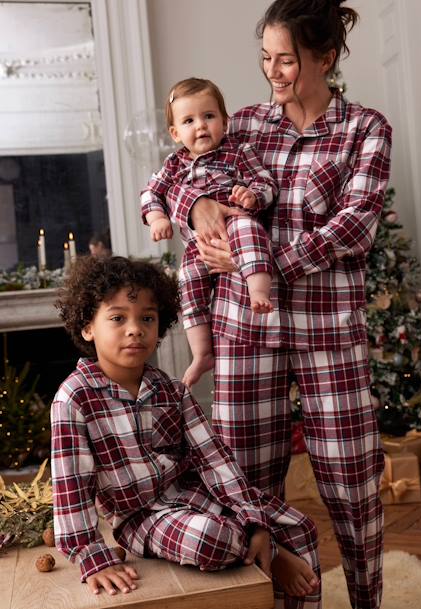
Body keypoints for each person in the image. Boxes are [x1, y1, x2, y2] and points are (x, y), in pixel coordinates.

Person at [165, 2, 392, 608]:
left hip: (330, 334)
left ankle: (367, 599)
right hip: (243, 330)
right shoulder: (240, 124)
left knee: (353, 489)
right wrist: (193, 210)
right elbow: (189, 178)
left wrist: (258, 264)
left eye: (286, 59)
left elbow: (354, 229)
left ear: (326, 57)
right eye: (265, 57)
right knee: (247, 489)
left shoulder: (365, 129)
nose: (273, 71)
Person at [51, 255, 320, 607]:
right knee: (212, 539)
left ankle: (267, 547)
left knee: (298, 526)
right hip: (140, 518)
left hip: (196, 497)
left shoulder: (172, 390)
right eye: (118, 318)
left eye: (147, 318)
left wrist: (253, 519)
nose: (136, 329)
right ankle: (268, 550)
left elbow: (214, 459)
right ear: (88, 327)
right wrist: (91, 556)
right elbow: (71, 486)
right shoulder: (74, 399)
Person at [140, 77, 277, 387]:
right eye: (189, 120)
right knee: (187, 283)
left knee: (248, 230)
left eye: (209, 116)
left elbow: (266, 183)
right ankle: (202, 352)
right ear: (176, 133)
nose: (200, 126)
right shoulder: (174, 165)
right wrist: (157, 217)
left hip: (235, 224)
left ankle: (258, 290)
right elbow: (150, 193)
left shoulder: (238, 151)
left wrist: (252, 195)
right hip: (198, 246)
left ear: (225, 122)